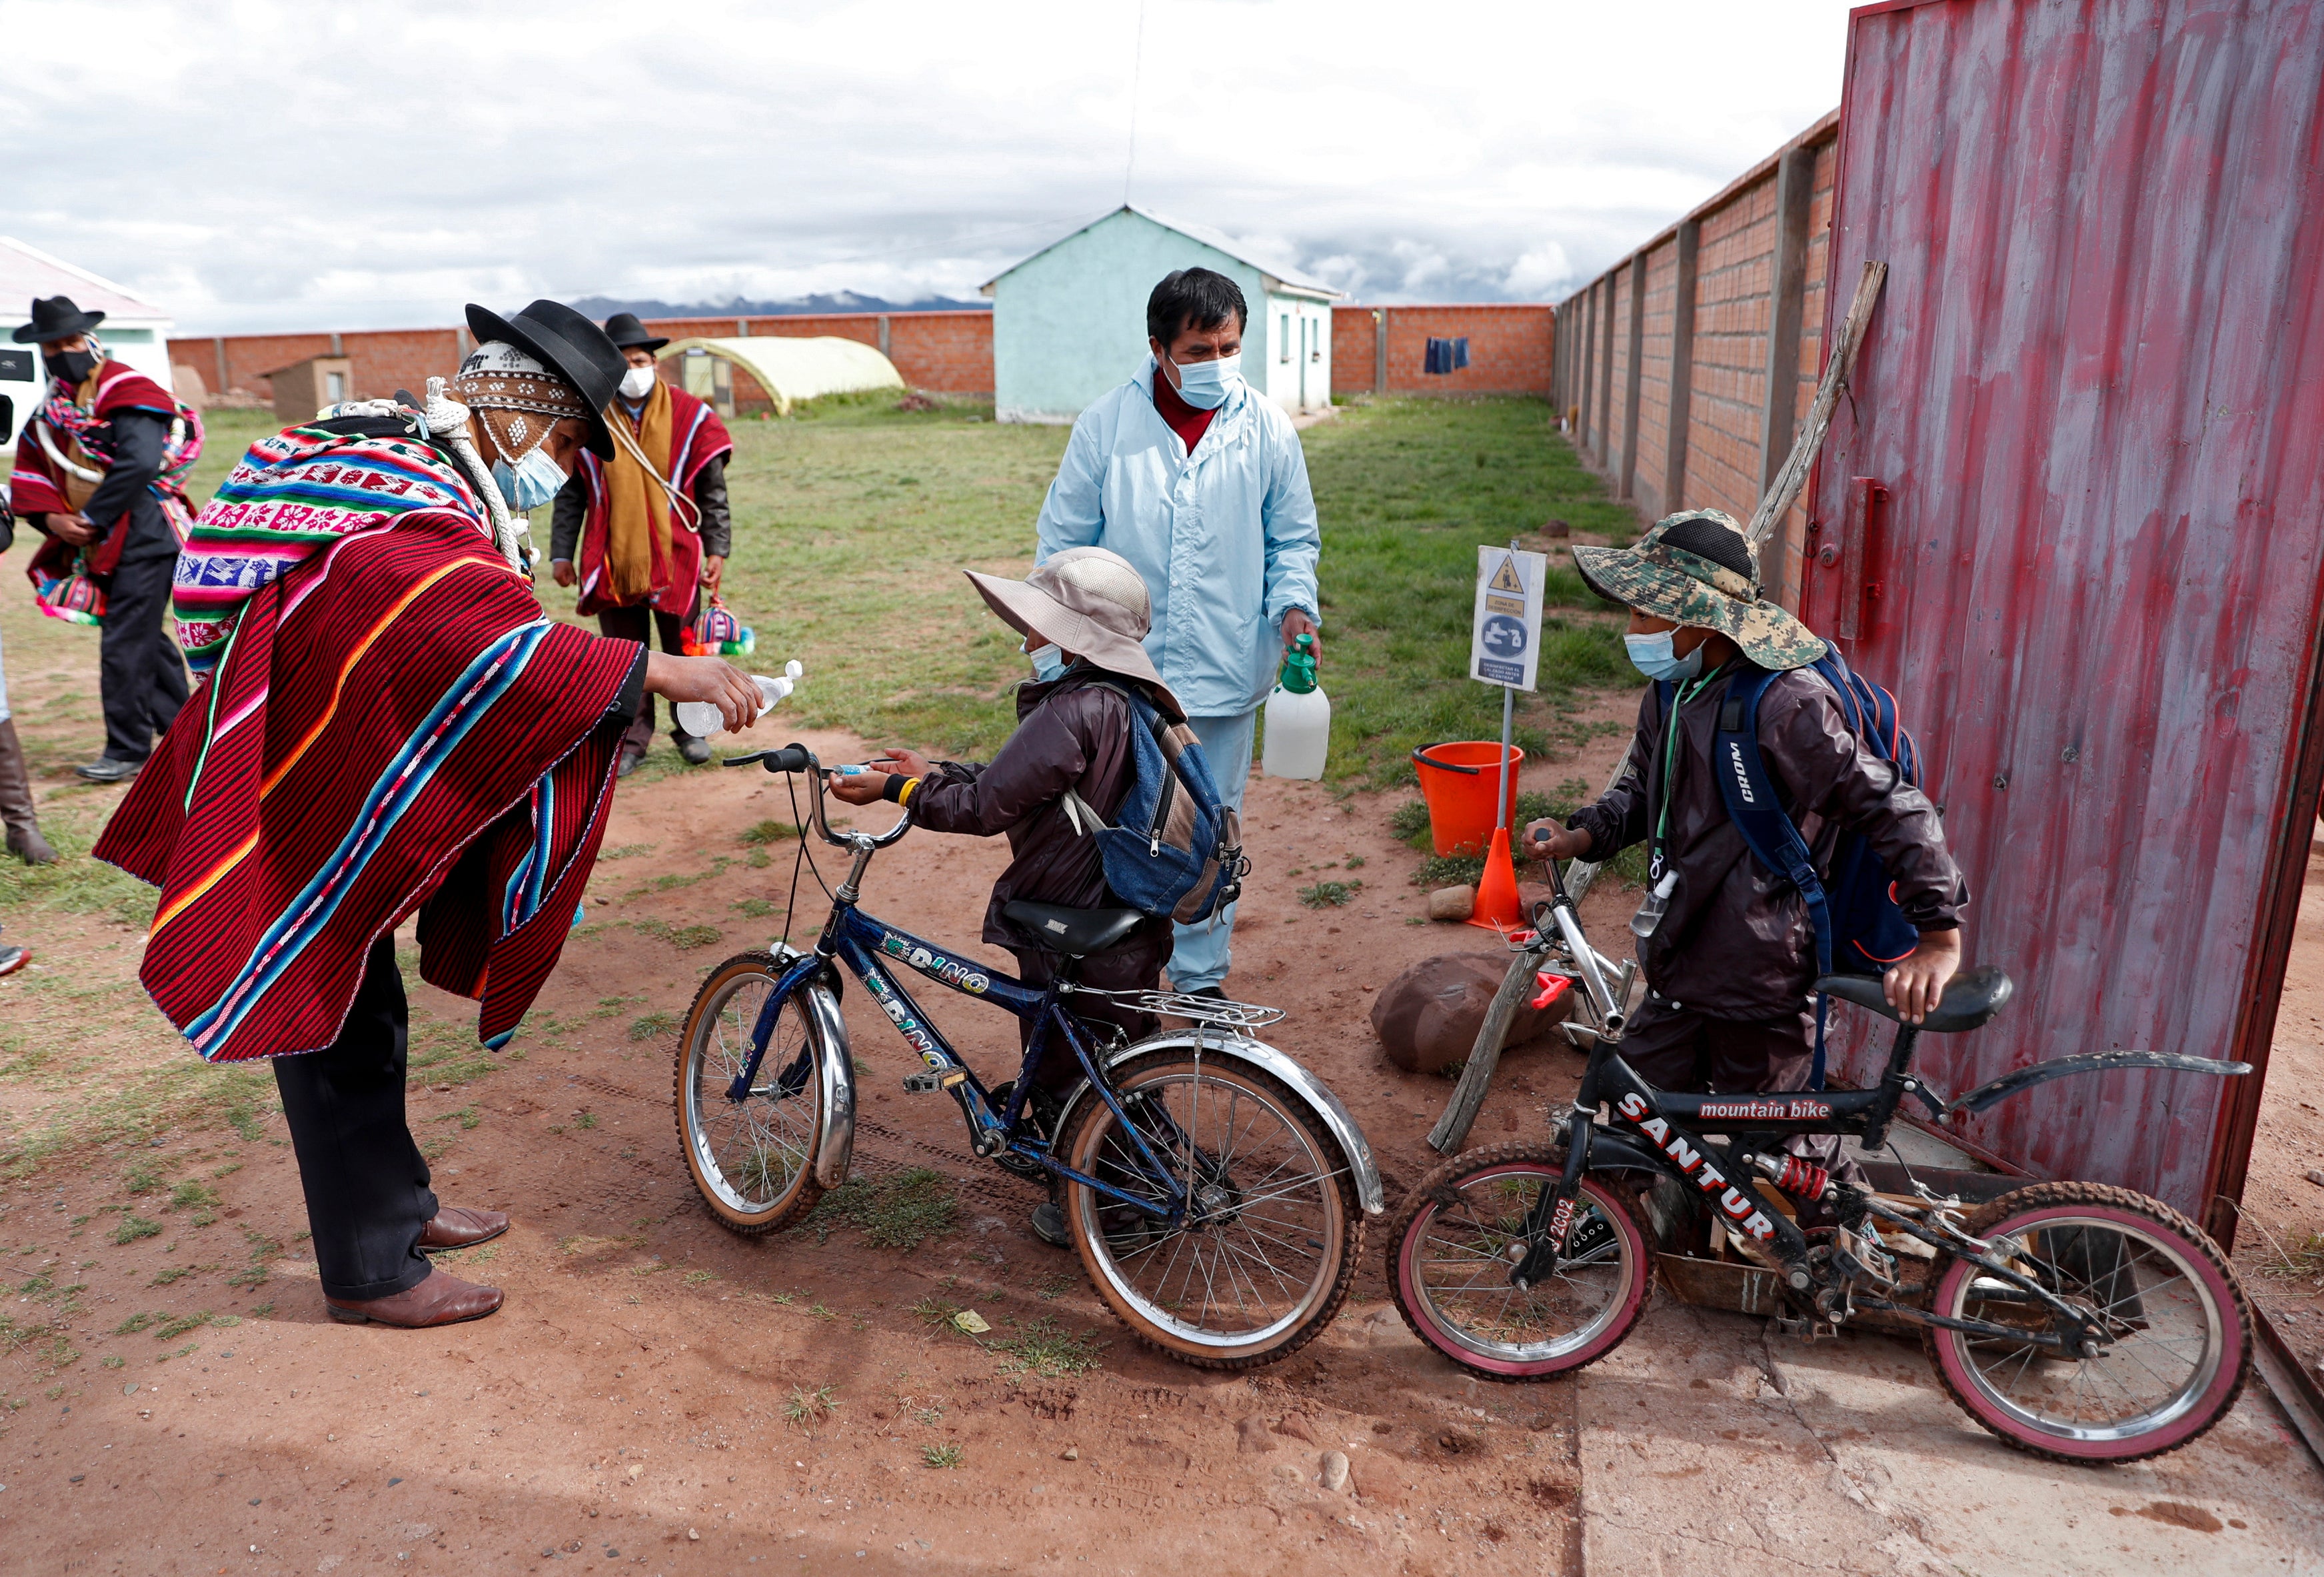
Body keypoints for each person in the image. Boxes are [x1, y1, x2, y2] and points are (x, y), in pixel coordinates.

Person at [95, 301, 762, 1330]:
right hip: (301, 783)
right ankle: (373, 1271)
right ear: (525, 414)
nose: (566, 463)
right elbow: (466, 633)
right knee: (326, 1004)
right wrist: (660, 667)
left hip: (313, 750)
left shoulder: (410, 457)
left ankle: (401, 1204)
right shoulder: (416, 493)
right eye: (571, 439)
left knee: (368, 997)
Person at [1523, 509, 1966, 1208]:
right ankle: (1616, 1225)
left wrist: (1938, 935)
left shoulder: (1785, 704)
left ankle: (1829, 1255)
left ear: (1699, 619)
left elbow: (1891, 805)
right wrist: (1585, 834)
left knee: (1776, 1150)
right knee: (1638, 1099)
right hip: (1681, 952)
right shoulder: (1674, 688)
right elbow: (1645, 788)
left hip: (1763, 974)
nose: (1632, 632)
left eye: (1645, 614)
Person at [830, 547, 1180, 1247]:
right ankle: (1146, 1174)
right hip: (1125, 915)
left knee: (1068, 1065)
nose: (1026, 641)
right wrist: (936, 771)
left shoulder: (1074, 706)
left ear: (1068, 636)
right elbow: (1025, 782)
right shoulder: (1121, 698)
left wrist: (899, 789)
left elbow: (988, 806)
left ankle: (1105, 1214)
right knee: (1119, 1054)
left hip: (1070, 916)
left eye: (1036, 626)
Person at [1033, 267, 1320, 1001]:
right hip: (1122, 676)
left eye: (1229, 346)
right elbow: (1062, 546)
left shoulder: (1268, 428)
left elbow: (1293, 541)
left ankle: (1198, 984)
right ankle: (1115, 977)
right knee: (1112, 823)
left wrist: (1294, 607)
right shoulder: (1106, 426)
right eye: (1198, 350)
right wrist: (1050, 652)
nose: (1216, 363)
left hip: (1226, 673)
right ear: (1158, 347)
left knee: (1209, 828)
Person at [8, 294, 200, 783]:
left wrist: (92, 516)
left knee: (124, 642)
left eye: (71, 340)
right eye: (53, 345)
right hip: (103, 537)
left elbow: (138, 462)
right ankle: (189, 733)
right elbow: (33, 466)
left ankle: (128, 749)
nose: (64, 351)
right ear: (42, 351)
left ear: (91, 339)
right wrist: (53, 520)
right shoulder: (56, 406)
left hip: (147, 533)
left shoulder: (129, 389)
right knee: (141, 640)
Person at [548, 311, 735, 773]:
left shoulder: (693, 416)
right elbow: (571, 495)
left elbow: (712, 493)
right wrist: (560, 553)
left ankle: (692, 733)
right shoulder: (591, 421)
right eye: (624, 362)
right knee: (627, 658)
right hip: (611, 558)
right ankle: (632, 741)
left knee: (684, 652)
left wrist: (718, 549)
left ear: (654, 362)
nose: (635, 370)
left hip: (678, 555)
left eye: (641, 359)